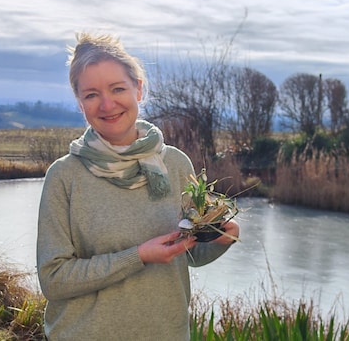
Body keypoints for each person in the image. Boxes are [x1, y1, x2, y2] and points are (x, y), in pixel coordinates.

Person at [36, 32, 240, 340]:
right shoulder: (65, 176)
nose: (107, 104)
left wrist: (221, 237)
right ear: (80, 103)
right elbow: (54, 279)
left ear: (139, 89)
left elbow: (189, 254)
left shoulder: (175, 164)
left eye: (118, 88)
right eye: (91, 94)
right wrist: (139, 256)